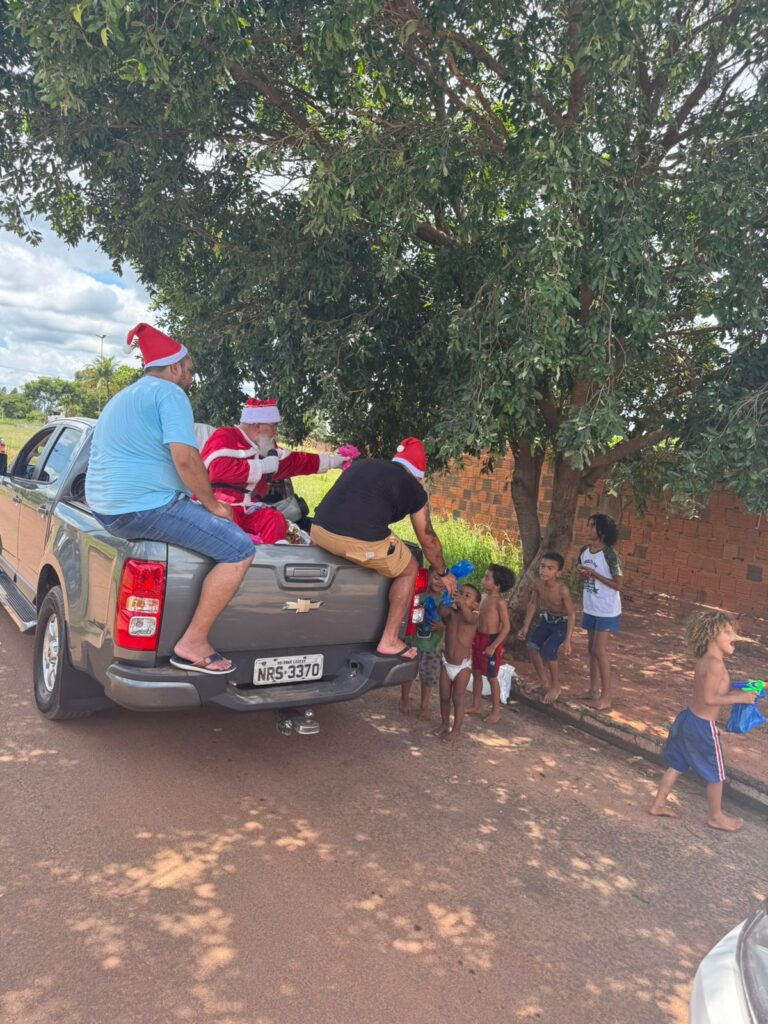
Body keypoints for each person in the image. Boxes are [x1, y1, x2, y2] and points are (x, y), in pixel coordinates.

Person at [85, 323, 254, 675]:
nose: (190, 378)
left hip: (107, 508)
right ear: (174, 367)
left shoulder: (124, 396)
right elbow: (186, 459)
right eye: (189, 370)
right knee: (239, 548)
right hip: (144, 507)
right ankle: (193, 643)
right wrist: (213, 505)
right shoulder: (170, 393)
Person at [310, 437, 458, 659]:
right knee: (410, 568)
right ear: (418, 474)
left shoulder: (364, 465)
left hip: (318, 531)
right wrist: (443, 572)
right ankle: (389, 640)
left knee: (376, 544)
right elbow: (428, 540)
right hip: (355, 538)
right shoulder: (413, 487)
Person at [648, 610, 757, 832]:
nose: (734, 635)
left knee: (677, 764)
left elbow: (714, 688)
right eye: (727, 631)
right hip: (702, 727)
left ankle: (657, 804)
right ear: (711, 635)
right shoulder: (716, 664)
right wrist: (740, 697)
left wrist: (742, 686)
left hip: (687, 719)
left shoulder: (707, 661)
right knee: (716, 773)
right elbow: (709, 698)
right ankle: (715, 817)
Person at [200, 398, 354, 544]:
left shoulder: (264, 447)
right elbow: (218, 470)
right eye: (273, 426)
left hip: (246, 509)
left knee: (273, 519)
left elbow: (298, 462)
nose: (276, 432)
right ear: (257, 425)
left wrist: (335, 460)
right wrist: (263, 466)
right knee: (224, 525)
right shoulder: (225, 436)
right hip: (217, 505)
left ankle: (268, 566)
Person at [575, 513, 623, 710]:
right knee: (590, 649)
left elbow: (618, 584)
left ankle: (607, 696)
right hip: (591, 606)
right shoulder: (584, 551)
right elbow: (580, 578)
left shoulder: (610, 554)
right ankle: (593, 690)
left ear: (602, 531)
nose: (587, 529)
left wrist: (594, 574)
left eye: (592, 526)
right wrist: (583, 576)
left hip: (606, 609)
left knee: (599, 650)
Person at [517, 552, 575, 704]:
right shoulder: (538, 584)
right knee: (531, 645)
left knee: (549, 650)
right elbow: (533, 604)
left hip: (562, 622)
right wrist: (525, 626)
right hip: (547, 618)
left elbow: (571, 614)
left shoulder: (562, 590)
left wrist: (568, 639)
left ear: (558, 572)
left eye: (550, 568)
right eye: (543, 567)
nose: (544, 571)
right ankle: (543, 681)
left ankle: (555, 686)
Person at [467, 563, 515, 722]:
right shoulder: (485, 598)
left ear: (497, 585)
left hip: (490, 640)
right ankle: (476, 704)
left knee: (492, 677)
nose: (483, 579)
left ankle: (496, 711)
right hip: (478, 638)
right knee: (476, 672)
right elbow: (482, 616)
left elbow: (506, 627)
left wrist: (494, 646)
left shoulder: (500, 602)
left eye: (487, 577)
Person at [434, 584, 481, 741]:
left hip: (463, 667)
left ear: (475, 604)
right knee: (444, 697)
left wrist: (461, 603)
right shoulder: (452, 613)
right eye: (460, 593)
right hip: (447, 663)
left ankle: (456, 730)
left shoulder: (474, 616)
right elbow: (441, 612)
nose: (461, 596)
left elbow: (468, 618)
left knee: (458, 699)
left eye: (467, 596)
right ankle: (444, 723)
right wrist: (447, 597)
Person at [399, 569, 446, 719]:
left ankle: (424, 706)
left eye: (443, 579)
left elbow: (451, 621)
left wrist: (443, 627)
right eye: (435, 578)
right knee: (408, 673)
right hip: (414, 642)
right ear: (428, 578)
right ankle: (404, 698)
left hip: (434, 646)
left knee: (429, 677)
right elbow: (410, 615)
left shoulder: (445, 601)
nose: (439, 582)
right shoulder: (420, 596)